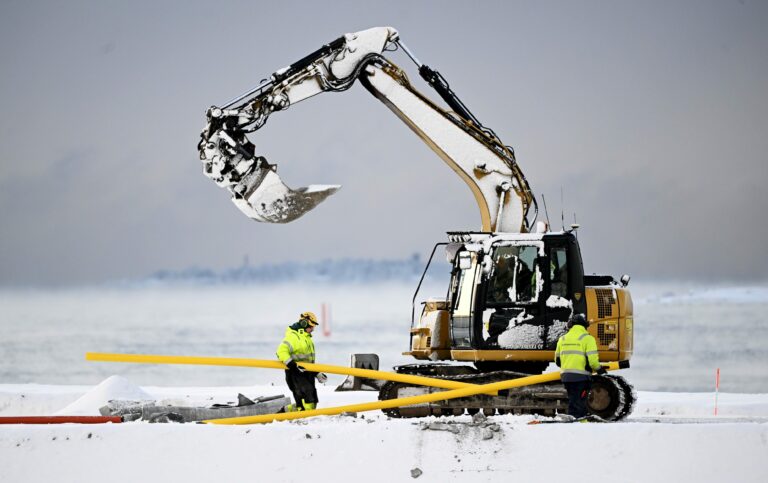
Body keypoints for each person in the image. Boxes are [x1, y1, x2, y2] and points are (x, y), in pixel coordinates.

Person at [554, 313, 606, 418]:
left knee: (573, 399)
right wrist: (599, 369)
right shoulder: (587, 338)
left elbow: (557, 360)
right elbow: (592, 361)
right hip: (581, 376)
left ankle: (575, 419)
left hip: (566, 376)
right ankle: (577, 422)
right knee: (580, 401)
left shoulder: (562, 339)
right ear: (584, 326)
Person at [276, 311, 328, 411]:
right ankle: (284, 416)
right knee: (306, 405)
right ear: (304, 324)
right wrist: (292, 365)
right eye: (312, 326)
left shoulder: (307, 338)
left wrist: (316, 373)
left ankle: (282, 413)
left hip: (307, 375)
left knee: (312, 404)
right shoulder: (293, 337)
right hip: (296, 375)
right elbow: (280, 352)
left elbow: (307, 361)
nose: (313, 329)